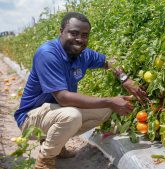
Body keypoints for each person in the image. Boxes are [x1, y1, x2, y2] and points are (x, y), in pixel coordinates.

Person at [14, 12, 148, 169]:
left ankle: (56, 144)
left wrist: (124, 78)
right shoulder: (48, 54)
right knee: (73, 116)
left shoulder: (83, 54)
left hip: (55, 113)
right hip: (30, 118)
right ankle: (45, 160)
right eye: (74, 33)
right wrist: (110, 100)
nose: (79, 39)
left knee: (105, 110)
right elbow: (63, 98)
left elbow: (110, 61)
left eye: (85, 35)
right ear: (61, 31)